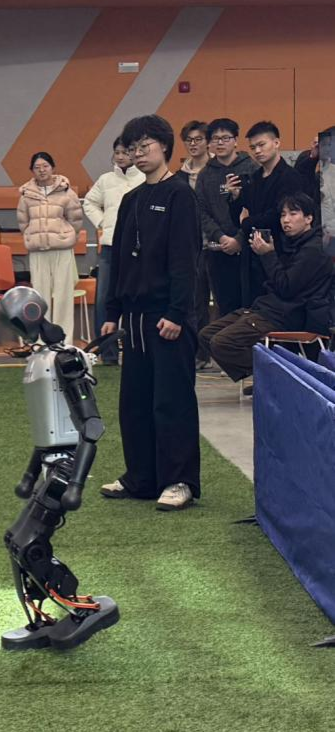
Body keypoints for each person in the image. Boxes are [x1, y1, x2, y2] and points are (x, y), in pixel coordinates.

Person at [100, 115, 202, 512]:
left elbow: (185, 261)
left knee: (171, 401)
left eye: (145, 146)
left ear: (164, 147)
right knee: (135, 401)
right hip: (136, 319)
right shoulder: (131, 199)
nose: (138, 154)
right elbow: (120, 261)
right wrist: (112, 311)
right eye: (132, 148)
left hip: (168, 317)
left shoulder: (180, 195)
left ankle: (179, 480)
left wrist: (177, 313)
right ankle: (141, 477)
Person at [198, 194, 333, 395]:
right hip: (268, 307)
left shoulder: (313, 250)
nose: (286, 220)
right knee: (206, 335)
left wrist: (268, 255)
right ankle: (272, 376)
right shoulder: (290, 242)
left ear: (309, 218)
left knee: (222, 343)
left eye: (293, 214)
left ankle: (282, 376)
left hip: (289, 314)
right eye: (283, 215)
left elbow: (286, 287)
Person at [82, 138, 143, 363]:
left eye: (126, 152)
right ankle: (107, 353)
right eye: (117, 152)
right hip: (109, 246)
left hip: (137, 248)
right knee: (104, 299)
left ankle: (134, 349)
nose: (121, 156)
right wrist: (103, 222)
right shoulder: (105, 179)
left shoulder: (144, 178)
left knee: (134, 297)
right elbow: (89, 203)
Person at [240, 121, 311, 305]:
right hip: (253, 251)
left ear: (276, 143)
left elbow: (278, 215)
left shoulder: (290, 177)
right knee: (251, 305)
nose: (257, 151)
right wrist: (234, 198)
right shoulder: (254, 178)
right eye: (252, 147)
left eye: (261, 144)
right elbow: (242, 212)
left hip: (280, 250)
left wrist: (247, 222)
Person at [194, 118, 259, 316]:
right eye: (215, 139)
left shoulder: (252, 168)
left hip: (249, 248)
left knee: (251, 306)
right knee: (225, 308)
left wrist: (239, 239)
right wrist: (221, 237)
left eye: (225, 138)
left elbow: (258, 208)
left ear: (236, 141)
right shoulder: (205, 174)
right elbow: (201, 211)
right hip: (218, 249)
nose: (220, 143)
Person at [17, 152, 83, 340]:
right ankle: (42, 340)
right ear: (32, 170)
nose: (42, 170)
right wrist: (34, 235)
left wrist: (64, 236)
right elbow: (23, 222)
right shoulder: (26, 195)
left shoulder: (66, 192)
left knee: (64, 297)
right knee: (40, 297)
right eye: (37, 167)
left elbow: (76, 220)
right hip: (38, 252)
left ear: (53, 168)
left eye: (45, 166)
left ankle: (64, 340)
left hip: (62, 250)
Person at [175, 120, 215, 368]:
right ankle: (200, 354)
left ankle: (223, 354)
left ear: (207, 141)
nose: (193, 144)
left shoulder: (217, 169)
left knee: (222, 303)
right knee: (196, 302)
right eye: (189, 140)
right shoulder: (179, 176)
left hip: (218, 243)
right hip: (192, 247)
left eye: (198, 139)